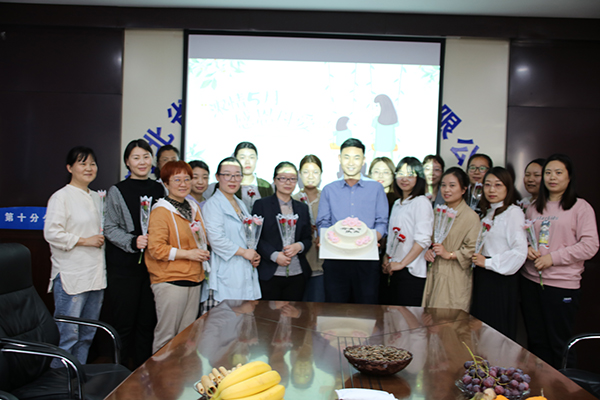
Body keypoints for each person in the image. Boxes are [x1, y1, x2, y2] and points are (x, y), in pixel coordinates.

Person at [520, 154, 599, 369]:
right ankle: (539, 384)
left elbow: (590, 245)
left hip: (561, 285)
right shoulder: (534, 207)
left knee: (559, 343)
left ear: (569, 177)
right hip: (530, 282)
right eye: (548, 173)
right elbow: (524, 237)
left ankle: (564, 385)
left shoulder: (580, 207)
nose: (552, 177)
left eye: (558, 172)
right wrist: (527, 249)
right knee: (536, 341)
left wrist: (552, 258)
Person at [103, 139, 165, 368]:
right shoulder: (117, 190)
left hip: (152, 268)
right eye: (136, 157)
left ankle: (142, 371)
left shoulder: (159, 189)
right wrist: (132, 241)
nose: (142, 162)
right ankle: (119, 372)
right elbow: (109, 227)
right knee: (124, 323)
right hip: (124, 269)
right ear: (127, 162)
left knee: (147, 322)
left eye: (146, 156)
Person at [44, 146, 106, 366]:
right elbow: (51, 233)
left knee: (87, 335)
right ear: (70, 168)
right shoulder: (61, 197)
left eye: (92, 164)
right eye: (83, 163)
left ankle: (77, 378)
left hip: (95, 276)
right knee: (68, 337)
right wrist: (85, 240)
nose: (89, 168)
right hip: (72, 276)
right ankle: (59, 380)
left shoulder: (97, 197)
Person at [316, 138, 388, 304]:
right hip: (335, 258)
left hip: (366, 259)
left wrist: (371, 239)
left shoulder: (376, 188)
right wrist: (327, 238)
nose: (351, 162)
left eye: (356, 157)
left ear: (363, 160)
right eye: (346, 157)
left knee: (366, 309)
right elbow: (323, 223)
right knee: (335, 309)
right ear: (339, 159)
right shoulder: (329, 189)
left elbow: (382, 222)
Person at [146, 160, 208, 353]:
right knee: (166, 338)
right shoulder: (161, 211)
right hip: (170, 280)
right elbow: (156, 249)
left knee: (186, 338)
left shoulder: (193, 207)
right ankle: (159, 372)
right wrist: (189, 254)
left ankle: (178, 373)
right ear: (166, 183)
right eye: (177, 180)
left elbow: (201, 238)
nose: (183, 184)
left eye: (187, 179)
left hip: (194, 278)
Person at [470, 167, 527, 340]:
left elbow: (520, 252)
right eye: (487, 185)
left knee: (496, 331)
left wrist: (488, 262)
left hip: (500, 279)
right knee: (481, 329)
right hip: (483, 276)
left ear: (508, 187)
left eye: (498, 185)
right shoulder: (488, 213)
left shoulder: (513, 212)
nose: (491, 190)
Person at [203, 157, 262, 302]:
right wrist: (244, 252)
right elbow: (216, 239)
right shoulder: (213, 204)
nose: (233, 179)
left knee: (245, 312)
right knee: (227, 313)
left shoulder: (240, 203)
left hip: (244, 268)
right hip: (225, 270)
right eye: (227, 175)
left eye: (237, 175)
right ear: (217, 177)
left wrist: (253, 254)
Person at [422, 167, 480, 312]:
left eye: (452, 185)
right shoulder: (438, 211)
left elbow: (472, 249)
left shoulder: (471, 217)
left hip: (455, 274)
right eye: (443, 185)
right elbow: (430, 239)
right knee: (430, 315)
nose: (446, 190)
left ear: (463, 189)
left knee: (449, 318)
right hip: (435, 270)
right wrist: (429, 251)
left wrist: (450, 254)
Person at [252, 162, 312, 300]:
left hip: (297, 273)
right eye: (283, 178)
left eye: (292, 179)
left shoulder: (302, 208)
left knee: (294, 312)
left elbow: (307, 238)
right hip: (269, 273)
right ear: (274, 180)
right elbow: (256, 237)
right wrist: (274, 255)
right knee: (269, 312)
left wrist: (299, 246)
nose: (288, 182)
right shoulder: (261, 205)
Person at [382, 157, 434, 306]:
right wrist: (387, 259)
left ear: (419, 178)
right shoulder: (397, 204)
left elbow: (423, 240)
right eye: (400, 174)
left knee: (408, 318)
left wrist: (401, 263)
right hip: (394, 269)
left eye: (410, 175)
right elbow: (392, 236)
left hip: (411, 271)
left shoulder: (421, 202)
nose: (404, 179)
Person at [293, 155, 325, 302]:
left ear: (321, 174)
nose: (310, 176)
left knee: (319, 307)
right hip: (299, 264)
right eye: (306, 172)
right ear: (299, 174)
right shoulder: (292, 200)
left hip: (322, 264)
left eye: (315, 172)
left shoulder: (327, 198)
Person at [234, 141, 274, 211]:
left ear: (256, 159)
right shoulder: (229, 184)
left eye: (251, 157)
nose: (247, 162)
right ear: (235, 159)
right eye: (242, 157)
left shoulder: (266, 186)